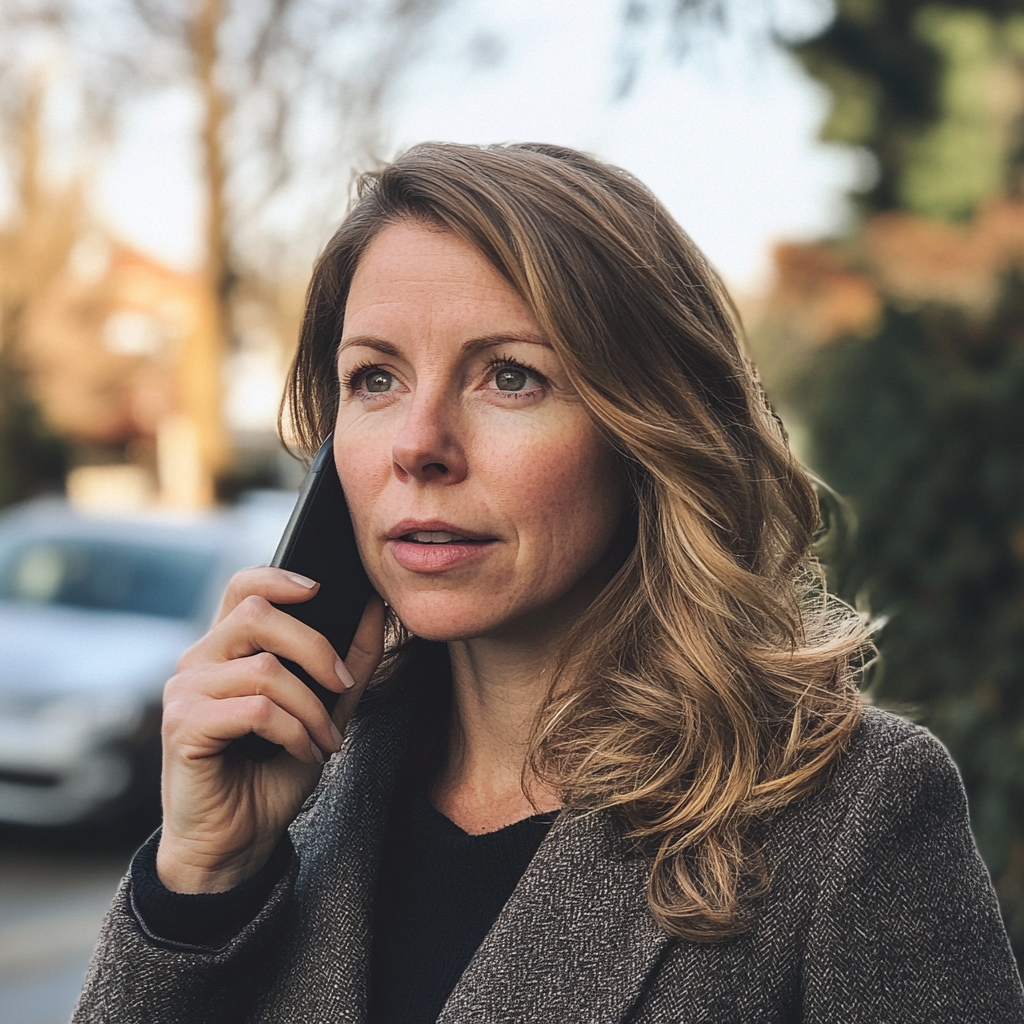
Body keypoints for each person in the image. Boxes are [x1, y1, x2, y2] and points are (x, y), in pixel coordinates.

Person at [74, 142, 1023, 1023]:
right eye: (375, 379)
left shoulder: (854, 813)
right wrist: (197, 885)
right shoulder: (301, 779)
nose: (419, 445)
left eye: (511, 377)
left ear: (647, 430)